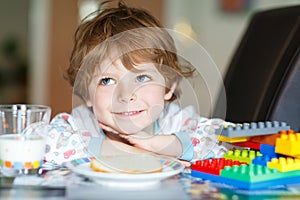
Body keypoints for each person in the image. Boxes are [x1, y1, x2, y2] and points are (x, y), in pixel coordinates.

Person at [44, 0, 230, 166]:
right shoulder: (82, 124)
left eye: (142, 78)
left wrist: (155, 143)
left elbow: (222, 142)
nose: (125, 95)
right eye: (107, 81)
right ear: (87, 94)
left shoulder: (175, 121)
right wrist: (131, 152)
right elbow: (41, 141)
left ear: (168, 86)